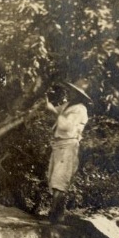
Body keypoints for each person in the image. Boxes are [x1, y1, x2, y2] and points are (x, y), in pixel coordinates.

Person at [45, 79, 91, 223]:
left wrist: (53, 111)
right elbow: (53, 110)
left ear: (81, 96)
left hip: (68, 145)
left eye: (75, 92)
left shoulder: (80, 109)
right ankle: (56, 214)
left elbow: (65, 125)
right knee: (53, 177)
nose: (71, 93)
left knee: (60, 178)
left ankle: (55, 214)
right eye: (72, 90)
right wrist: (44, 100)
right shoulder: (68, 105)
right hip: (59, 144)